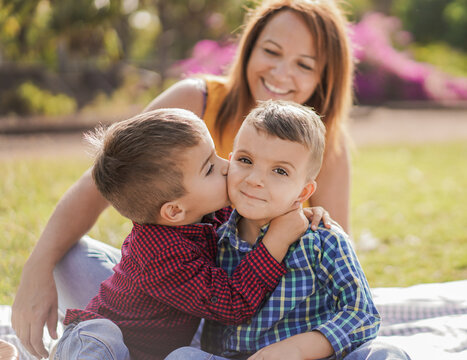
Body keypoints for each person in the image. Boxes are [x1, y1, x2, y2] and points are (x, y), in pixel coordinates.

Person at [12, 0, 351, 357]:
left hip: (252, 313)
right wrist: (36, 270)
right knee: (69, 256)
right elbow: (102, 180)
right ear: (249, 50)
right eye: (271, 51)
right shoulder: (195, 102)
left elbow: (337, 263)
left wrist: (316, 220)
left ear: (323, 77)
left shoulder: (324, 145)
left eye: (304, 64)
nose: (282, 73)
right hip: (187, 295)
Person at [52, 108, 310, 359]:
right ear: (174, 211)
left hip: (162, 349)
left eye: (216, 155)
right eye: (209, 168)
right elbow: (232, 302)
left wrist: (294, 209)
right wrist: (276, 240)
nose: (227, 165)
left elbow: (256, 213)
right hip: (108, 343)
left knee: (187, 355)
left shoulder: (200, 213)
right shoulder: (161, 254)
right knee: (101, 335)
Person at [166, 101, 409, 360]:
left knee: (387, 353)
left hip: (313, 356)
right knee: (182, 356)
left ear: (303, 192)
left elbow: (362, 314)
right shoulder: (214, 238)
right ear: (230, 160)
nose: (255, 179)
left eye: (280, 171)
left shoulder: (324, 240)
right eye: (245, 160)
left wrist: (298, 348)